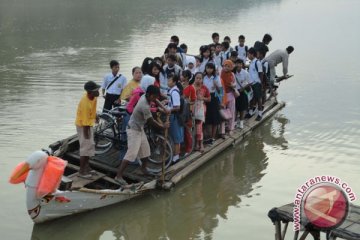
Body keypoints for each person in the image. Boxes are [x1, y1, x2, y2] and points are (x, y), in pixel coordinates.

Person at [115, 85, 169, 185]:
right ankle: (118, 176)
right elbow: (151, 121)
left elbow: (156, 100)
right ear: (149, 95)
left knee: (146, 151)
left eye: (156, 96)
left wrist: (164, 108)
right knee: (131, 154)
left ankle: (143, 169)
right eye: (154, 96)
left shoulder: (148, 96)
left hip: (140, 129)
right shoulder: (144, 105)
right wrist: (163, 126)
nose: (155, 98)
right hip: (133, 130)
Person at [75, 81, 100, 178]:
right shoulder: (85, 102)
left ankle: (87, 167)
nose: (98, 91)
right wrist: (86, 136)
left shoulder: (93, 97)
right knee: (85, 148)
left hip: (88, 124)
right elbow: (85, 123)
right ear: (90, 92)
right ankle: (81, 171)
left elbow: (92, 110)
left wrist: (95, 116)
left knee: (90, 146)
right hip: (83, 126)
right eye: (96, 90)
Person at [203, 62, 222, 144]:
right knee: (206, 118)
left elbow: (220, 91)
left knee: (214, 118)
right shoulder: (203, 77)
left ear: (213, 69)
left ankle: (213, 137)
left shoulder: (216, 77)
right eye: (207, 68)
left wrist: (216, 85)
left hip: (213, 97)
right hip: (205, 98)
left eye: (211, 68)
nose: (209, 70)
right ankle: (207, 137)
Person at [167, 74, 184, 163]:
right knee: (175, 136)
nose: (168, 82)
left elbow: (177, 107)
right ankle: (175, 154)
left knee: (176, 137)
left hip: (174, 116)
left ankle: (176, 156)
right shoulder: (172, 91)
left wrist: (169, 110)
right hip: (174, 116)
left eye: (169, 80)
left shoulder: (174, 92)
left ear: (174, 82)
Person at [193, 72, 210, 152]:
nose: (198, 80)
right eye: (197, 78)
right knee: (195, 126)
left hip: (201, 108)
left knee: (199, 126)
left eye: (200, 78)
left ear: (202, 79)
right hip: (192, 108)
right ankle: (196, 143)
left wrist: (202, 98)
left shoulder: (204, 88)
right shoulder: (191, 87)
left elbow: (209, 99)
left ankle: (200, 144)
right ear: (194, 78)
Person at [220, 60, 237, 137]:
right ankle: (222, 131)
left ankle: (231, 129)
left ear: (231, 67)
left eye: (228, 66)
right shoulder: (220, 73)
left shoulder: (232, 74)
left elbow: (235, 83)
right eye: (225, 66)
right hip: (223, 95)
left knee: (231, 112)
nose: (226, 67)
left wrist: (232, 85)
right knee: (223, 113)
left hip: (230, 95)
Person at [181, 70, 196, 156]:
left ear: (186, 77)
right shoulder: (180, 86)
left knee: (187, 131)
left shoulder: (191, 88)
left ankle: (188, 149)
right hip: (180, 112)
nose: (181, 77)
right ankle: (183, 148)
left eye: (182, 75)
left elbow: (193, 101)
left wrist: (185, 101)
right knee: (181, 131)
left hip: (188, 112)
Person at [247, 47, 264, 121]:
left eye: (248, 54)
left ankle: (260, 114)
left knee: (258, 98)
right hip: (251, 83)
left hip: (257, 83)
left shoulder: (257, 62)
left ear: (252, 54)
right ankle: (250, 112)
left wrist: (260, 83)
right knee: (252, 98)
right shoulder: (251, 63)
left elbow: (261, 73)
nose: (248, 56)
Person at [233, 59, 251, 129]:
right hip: (235, 92)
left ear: (242, 65)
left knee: (242, 108)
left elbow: (250, 82)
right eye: (237, 63)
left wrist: (243, 88)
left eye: (240, 64)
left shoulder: (245, 73)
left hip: (243, 92)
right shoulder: (233, 72)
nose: (238, 65)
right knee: (235, 108)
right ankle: (234, 122)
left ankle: (241, 122)